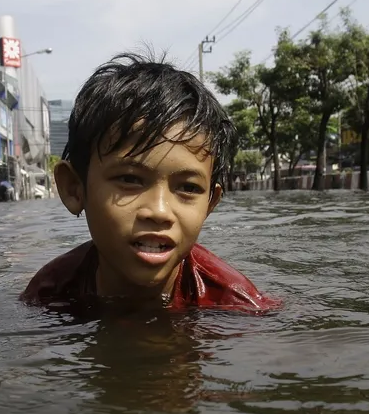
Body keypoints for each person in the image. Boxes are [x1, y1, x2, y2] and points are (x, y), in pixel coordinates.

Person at [19, 52, 279, 312]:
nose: (159, 212)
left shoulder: (235, 305)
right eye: (130, 179)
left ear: (210, 204)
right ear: (74, 189)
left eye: (188, 187)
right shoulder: (47, 295)